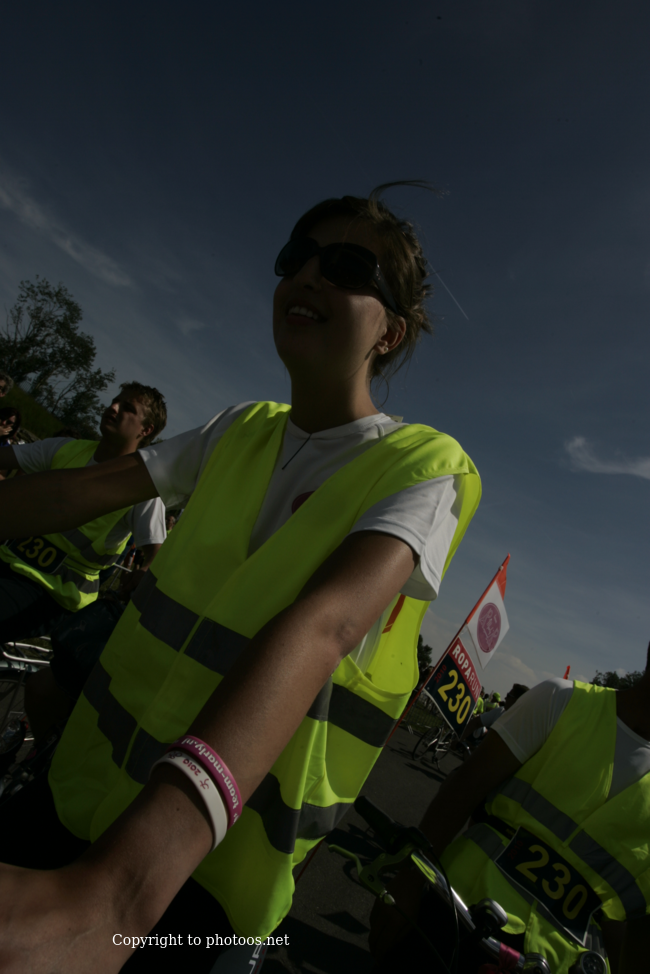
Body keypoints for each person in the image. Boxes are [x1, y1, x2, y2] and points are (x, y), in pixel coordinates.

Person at [0, 187, 482, 974]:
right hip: (73, 796)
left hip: (197, 883)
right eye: (297, 257)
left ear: (390, 332)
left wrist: (118, 894)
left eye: (347, 266)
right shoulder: (240, 428)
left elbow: (325, 626)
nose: (309, 275)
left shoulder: (426, 466)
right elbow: (75, 492)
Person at [370, 650, 650, 973]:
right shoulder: (562, 700)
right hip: (454, 914)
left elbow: (631, 920)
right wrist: (409, 880)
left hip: (554, 963)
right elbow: (466, 786)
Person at [0, 382, 168, 743]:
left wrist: (143, 572)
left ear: (146, 430)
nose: (113, 408)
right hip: (7, 563)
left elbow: (156, 554)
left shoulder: (142, 490)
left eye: (127, 408)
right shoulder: (66, 450)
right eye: (115, 401)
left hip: (51, 594)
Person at [461, 682, 528, 743]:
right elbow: (476, 722)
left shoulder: (523, 728)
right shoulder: (500, 711)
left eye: (508, 695)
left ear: (518, 701)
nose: (505, 698)